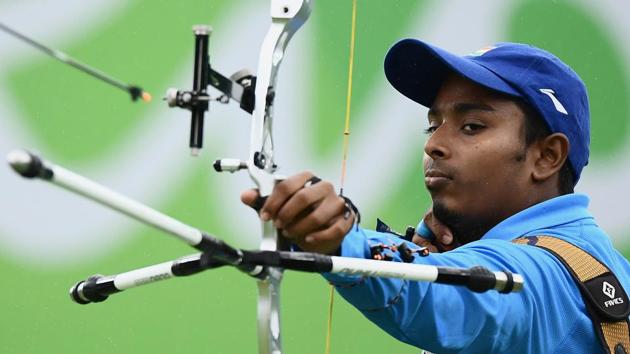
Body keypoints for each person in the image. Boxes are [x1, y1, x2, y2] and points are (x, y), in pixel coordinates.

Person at [241, 39, 630, 353]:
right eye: (432, 126)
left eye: (472, 126)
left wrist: (345, 241)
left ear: (546, 156)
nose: (435, 146)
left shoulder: (533, 275)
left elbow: (456, 299)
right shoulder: (605, 265)